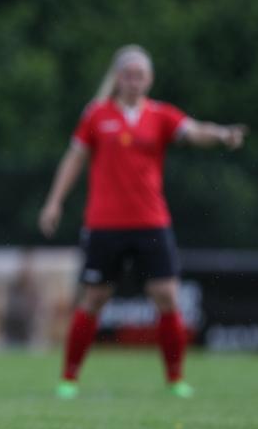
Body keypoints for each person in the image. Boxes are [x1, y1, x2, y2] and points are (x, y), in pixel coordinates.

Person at [39, 44, 247, 399]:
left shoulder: (160, 115)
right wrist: (54, 202)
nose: (134, 81)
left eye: (141, 75)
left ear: (149, 79)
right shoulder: (96, 115)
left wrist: (222, 134)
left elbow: (194, 131)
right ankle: (69, 379)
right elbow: (74, 160)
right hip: (104, 223)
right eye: (128, 74)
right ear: (117, 78)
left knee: (166, 295)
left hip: (151, 221)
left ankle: (175, 379)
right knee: (94, 297)